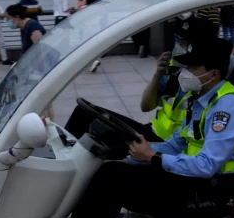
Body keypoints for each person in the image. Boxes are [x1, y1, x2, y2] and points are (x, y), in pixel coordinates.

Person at [35, 37, 234, 218]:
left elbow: (207, 165)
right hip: (191, 178)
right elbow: (177, 144)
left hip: (213, 189)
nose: (185, 72)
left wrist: (153, 157)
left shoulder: (228, 107)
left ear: (213, 74)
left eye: (193, 68)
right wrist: (136, 155)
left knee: (110, 179)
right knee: (110, 167)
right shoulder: (203, 98)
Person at [63, 16, 222, 144]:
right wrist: (158, 75)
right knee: (84, 114)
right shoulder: (174, 69)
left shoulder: (206, 79)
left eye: (184, 42)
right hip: (152, 131)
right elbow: (146, 106)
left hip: (166, 144)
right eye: (177, 40)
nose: (178, 45)